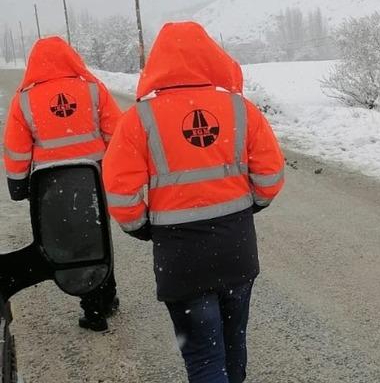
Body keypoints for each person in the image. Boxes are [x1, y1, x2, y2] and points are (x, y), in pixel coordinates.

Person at [102, 21, 284, 383]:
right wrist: (248, 208)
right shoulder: (240, 109)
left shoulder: (139, 118)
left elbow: (121, 193)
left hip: (180, 258)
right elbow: (271, 177)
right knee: (234, 343)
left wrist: (142, 228)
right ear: (211, 57)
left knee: (203, 356)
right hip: (237, 249)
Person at [3, 36, 122, 331]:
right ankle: (105, 296)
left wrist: (18, 185)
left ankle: (93, 306)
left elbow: (17, 149)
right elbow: (116, 135)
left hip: (51, 189)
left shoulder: (25, 99)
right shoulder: (93, 90)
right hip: (94, 181)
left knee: (70, 243)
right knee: (98, 237)